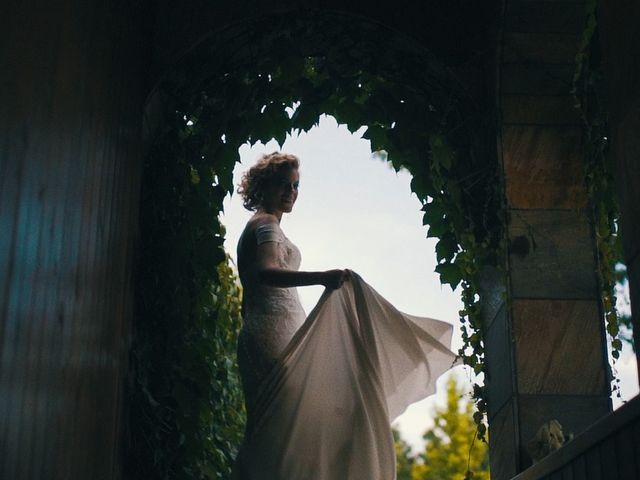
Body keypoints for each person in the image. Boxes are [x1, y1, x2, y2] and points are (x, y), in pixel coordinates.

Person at [232, 152, 458, 480]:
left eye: (296, 186)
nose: (291, 192)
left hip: (280, 327)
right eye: (284, 185)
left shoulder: (264, 225)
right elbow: (265, 272)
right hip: (272, 331)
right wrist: (323, 277)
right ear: (264, 185)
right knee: (284, 425)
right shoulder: (264, 224)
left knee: (291, 426)